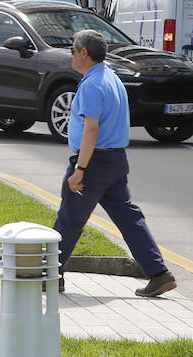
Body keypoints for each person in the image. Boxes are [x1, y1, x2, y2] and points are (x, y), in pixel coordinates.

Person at [53, 29, 177, 297]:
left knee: (69, 219)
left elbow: (91, 129)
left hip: (94, 162)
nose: (71, 55)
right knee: (129, 218)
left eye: (73, 49)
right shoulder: (111, 77)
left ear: (84, 53)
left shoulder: (91, 85)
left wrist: (80, 169)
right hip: (115, 160)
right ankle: (159, 274)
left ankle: (51, 275)